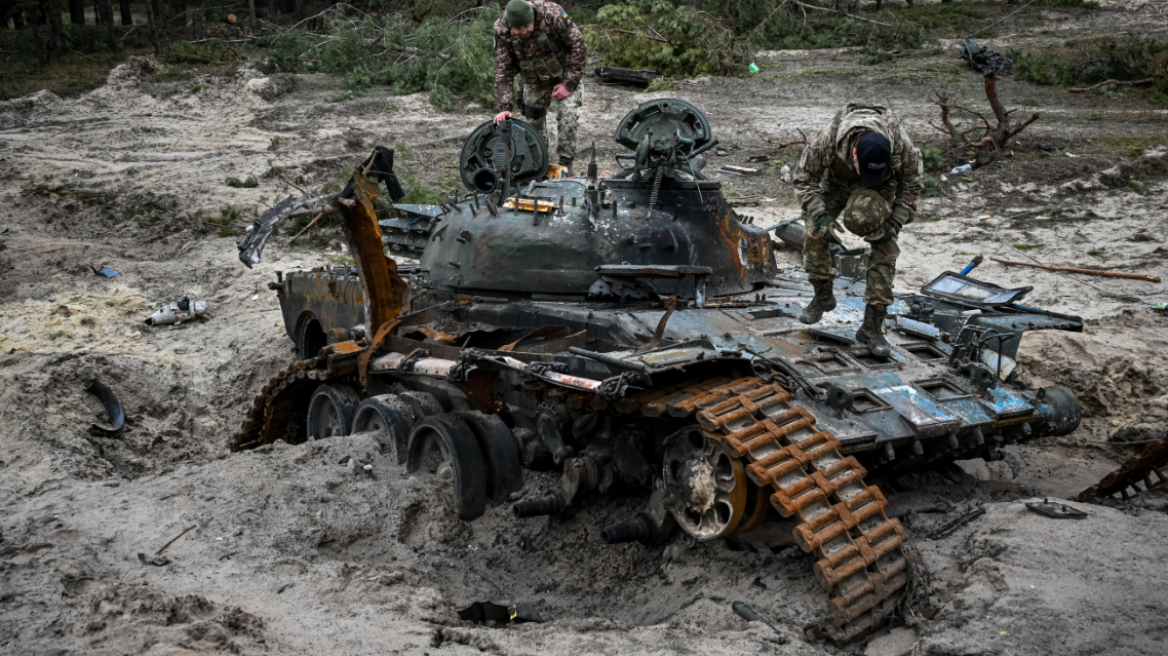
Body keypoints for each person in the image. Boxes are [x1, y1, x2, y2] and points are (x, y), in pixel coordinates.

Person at [792, 104, 924, 357]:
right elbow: (803, 179)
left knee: (886, 248)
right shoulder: (829, 139)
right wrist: (820, 216)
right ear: (853, 153)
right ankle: (822, 295)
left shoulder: (901, 145)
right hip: (835, 184)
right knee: (813, 232)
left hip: (880, 189)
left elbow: (912, 186)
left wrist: (895, 223)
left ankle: (872, 326)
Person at [493, 0, 587, 173]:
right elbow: (503, 70)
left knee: (568, 115)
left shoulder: (554, 14)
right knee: (532, 123)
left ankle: (566, 165)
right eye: (518, 29)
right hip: (533, 79)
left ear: (533, 18)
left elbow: (578, 46)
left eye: (527, 26)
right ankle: (540, 165)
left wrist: (568, 84)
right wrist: (504, 108)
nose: (523, 32)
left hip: (564, 74)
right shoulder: (502, 29)